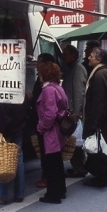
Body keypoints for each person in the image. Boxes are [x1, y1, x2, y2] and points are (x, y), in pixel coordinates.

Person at [83, 47, 107, 187]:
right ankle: (104, 177)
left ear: (99, 59)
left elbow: (100, 102)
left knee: (99, 150)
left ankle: (101, 178)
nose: (88, 58)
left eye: (91, 56)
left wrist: (95, 123)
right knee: (104, 148)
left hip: (100, 121)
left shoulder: (99, 75)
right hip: (106, 120)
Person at [36, 61, 68, 204]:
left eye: (40, 72)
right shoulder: (58, 87)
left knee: (51, 164)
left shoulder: (48, 90)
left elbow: (50, 114)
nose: (38, 75)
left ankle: (53, 194)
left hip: (51, 132)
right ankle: (60, 191)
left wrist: (41, 127)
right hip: (58, 131)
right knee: (57, 163)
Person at [0, 99, 30, 205]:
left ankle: (2, 196)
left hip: (6, 129)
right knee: (18, 158)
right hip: (19, 125)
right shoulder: (20, 91)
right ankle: (19, 194)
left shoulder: (5, 92)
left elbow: (2, 112)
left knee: (3, 160)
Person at [28, 53, 56, 189]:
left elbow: (49, 111)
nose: (37, 64)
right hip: (42, 123)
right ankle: (50, 179)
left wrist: (41, 126)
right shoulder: (46, 85)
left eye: (39, 62)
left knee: (48, 152)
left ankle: (48, 180)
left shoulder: (48, 88)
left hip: (45, 125)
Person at [61, 44, 87, 177]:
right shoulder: (73, 68)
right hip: (73, 111)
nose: (63, 57)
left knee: (75, 142)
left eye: (66, 54)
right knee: (74, 142)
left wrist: (77, 113)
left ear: (73, 55)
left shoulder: (77, 69)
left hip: (75, 113)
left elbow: (78, 92)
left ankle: (79, 167)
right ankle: (78, 166)